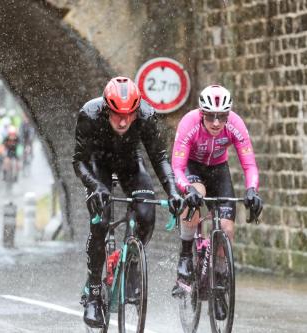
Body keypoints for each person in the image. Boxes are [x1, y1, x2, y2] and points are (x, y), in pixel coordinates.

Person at [73, 76, 183, 328]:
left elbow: (159, 157)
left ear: (136, 111)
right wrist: (95, 187)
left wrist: (173, 191)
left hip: (130, 165)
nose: (123, 121)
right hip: (97, 166)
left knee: (146, 214)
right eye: (117, 115)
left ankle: (131, 264)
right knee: (100, 224)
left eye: (129, 115)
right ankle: (92, 290)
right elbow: (78, 161)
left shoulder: (145, 115)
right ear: (106, 109)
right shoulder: (90, 114)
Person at [171, 84, 263, 320]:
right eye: (210, 116)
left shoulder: (235, 124)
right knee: (195, 196)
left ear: (227, 114)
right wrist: (186, 189)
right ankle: (185, 255)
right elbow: (178, 167)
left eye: (221, 116)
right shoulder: (189, 123)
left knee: (227, 228)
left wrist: (252, 190)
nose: (215, 122)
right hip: (192, 169)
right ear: (202, 113)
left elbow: (249, 164)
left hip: (218, 170)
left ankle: (219, 285)